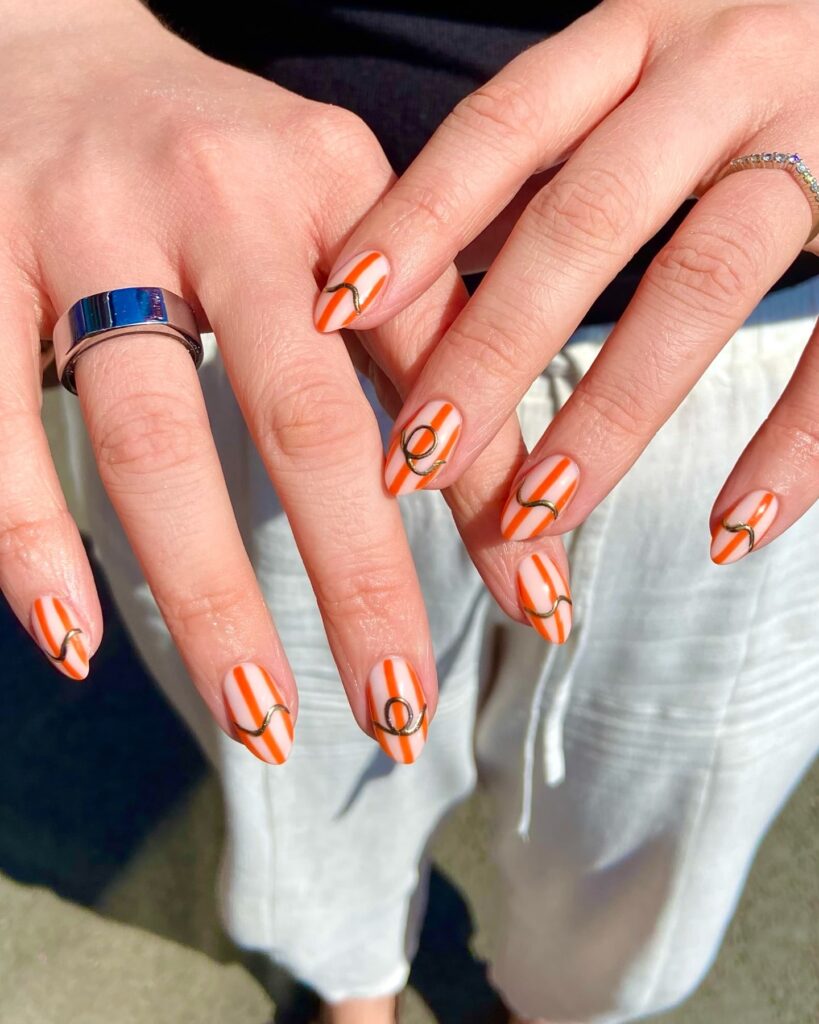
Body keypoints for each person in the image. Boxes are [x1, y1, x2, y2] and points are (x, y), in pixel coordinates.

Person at [4, 0, 818, 1020]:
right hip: (233, 251)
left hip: (768, 320)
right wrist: (41, 31)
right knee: (300, 753)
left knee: (660, 808)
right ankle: (353, 980)